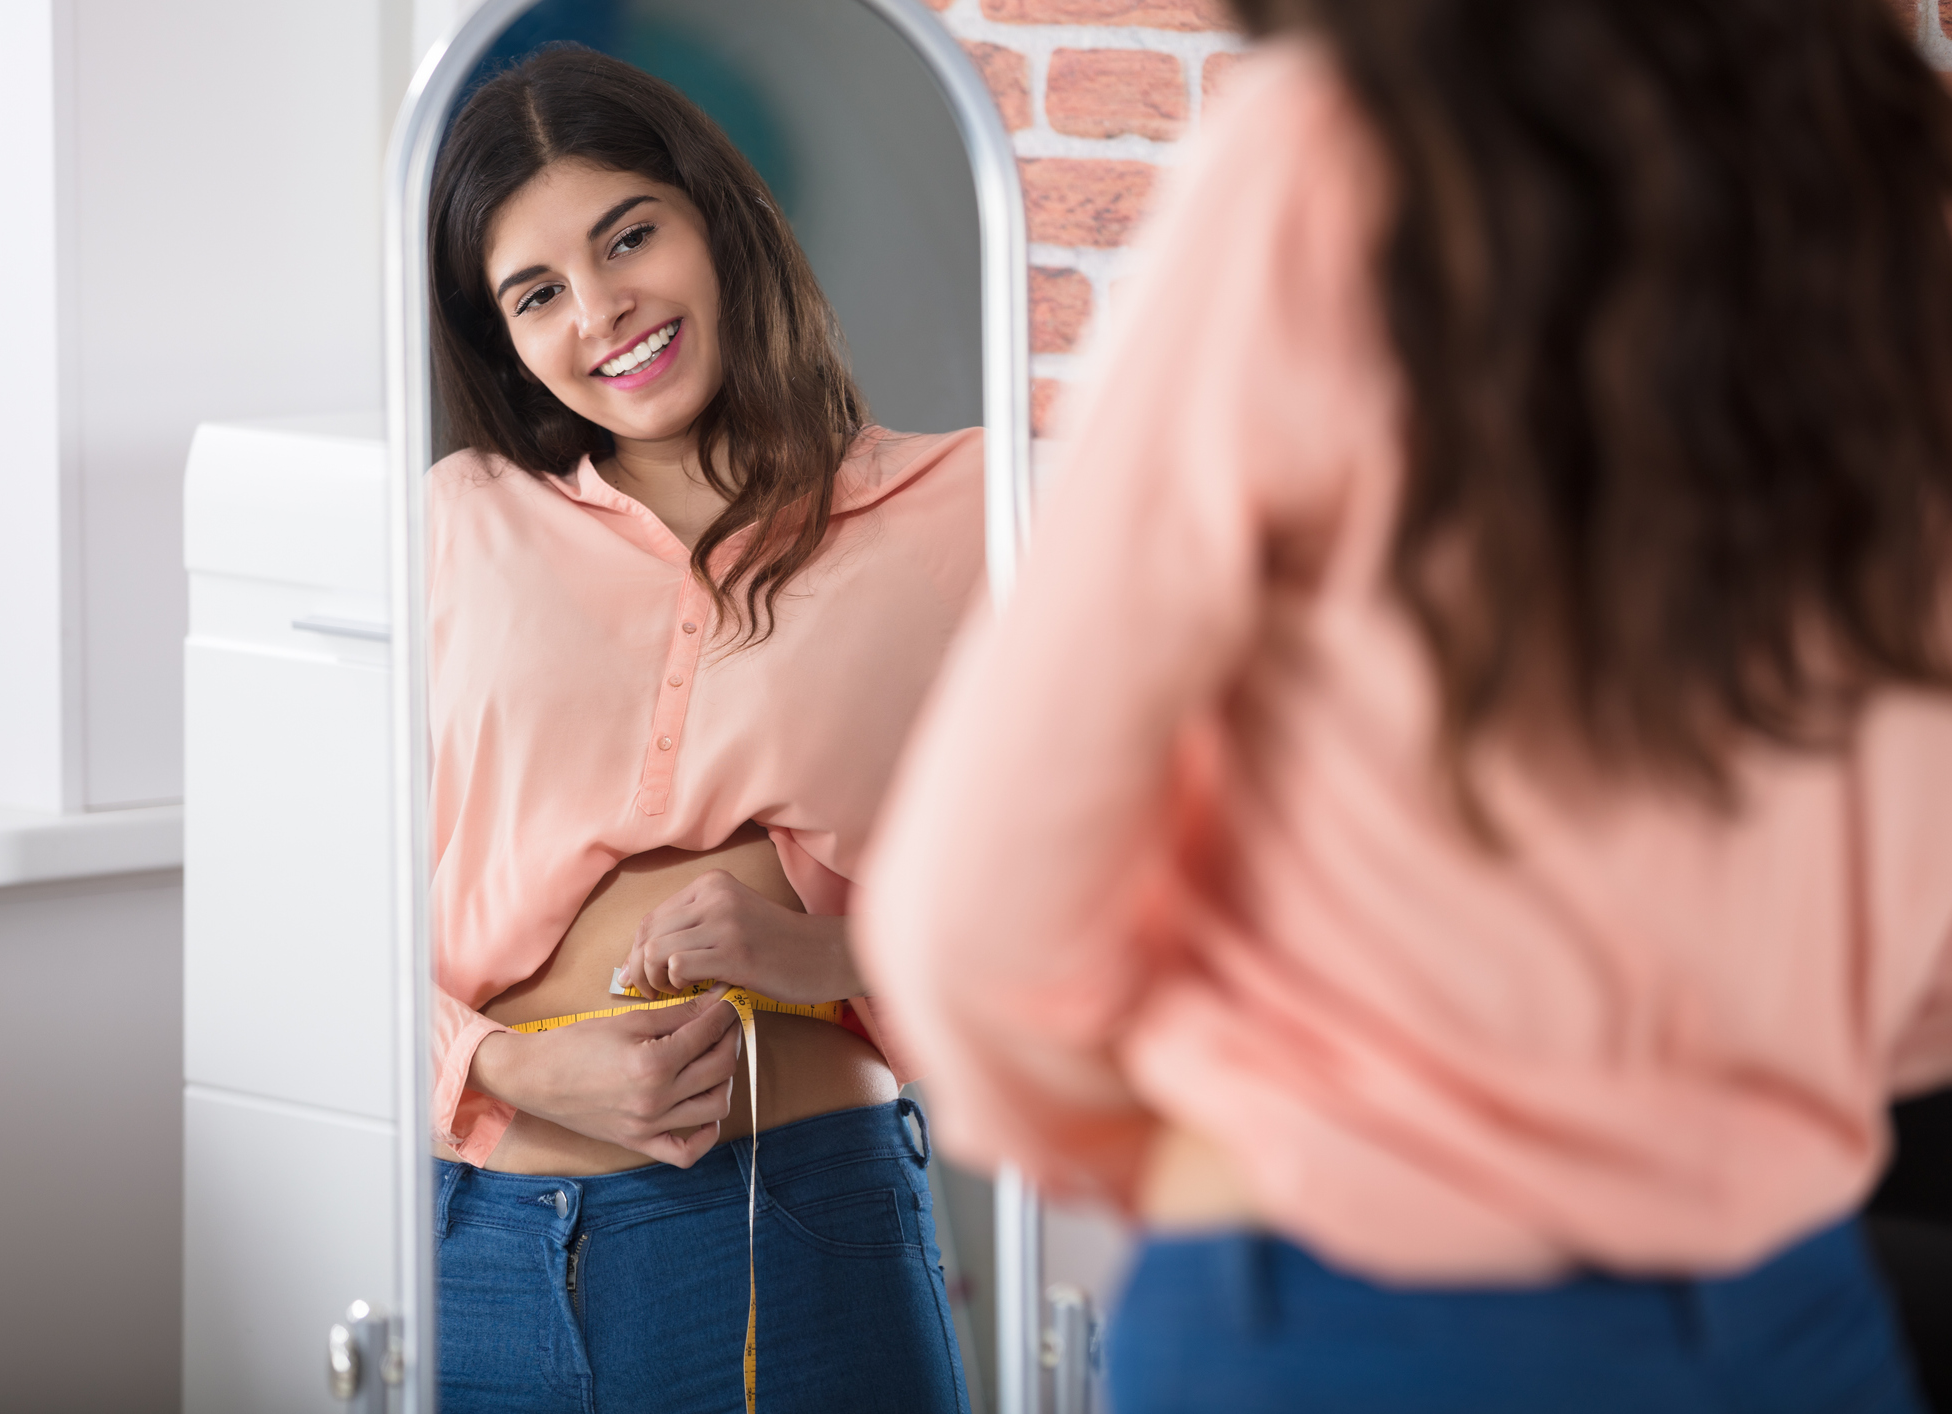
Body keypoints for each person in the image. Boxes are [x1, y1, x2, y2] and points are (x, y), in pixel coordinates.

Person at [856, 1, 1952, 1410]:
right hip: (1779, 1327)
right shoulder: (1899, 198)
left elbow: (968, 911)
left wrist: (1205, 1152)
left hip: (1338, 1311)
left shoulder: (1333, 166)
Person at [424, 46, 977, 1414]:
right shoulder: (455, 521)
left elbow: (1097, 895)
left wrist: (826, 949)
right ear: (502, 338)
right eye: (536, 291)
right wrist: (499, 1059)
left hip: (796, 1216)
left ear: (716, 220)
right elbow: (318, 903)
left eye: (629, 236)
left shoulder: (960, 511)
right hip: (480, 1237)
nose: (602, 309)